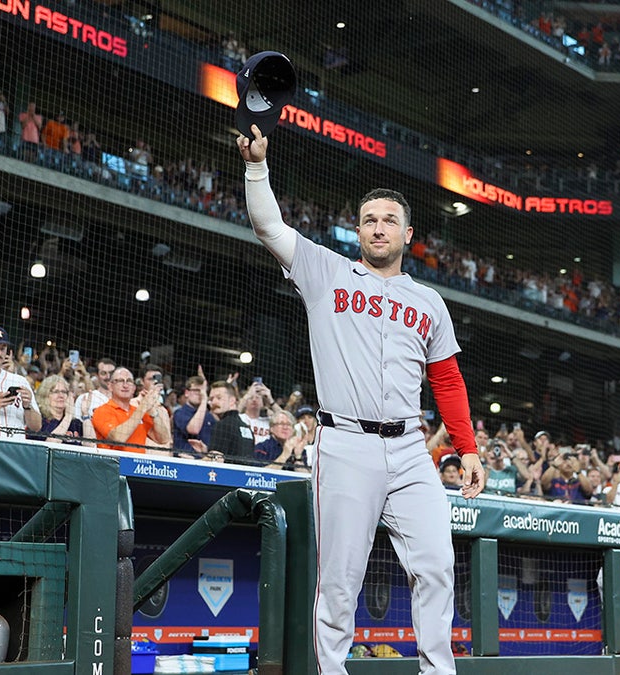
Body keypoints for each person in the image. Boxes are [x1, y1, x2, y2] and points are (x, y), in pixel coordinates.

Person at [238, 122, 484, 675]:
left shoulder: (429, 301)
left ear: (408, 233)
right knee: (341, 579)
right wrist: (257, 166)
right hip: (345, 443)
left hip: (410, 451)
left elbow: (447, 381)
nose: (379, 228)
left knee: (438, 563)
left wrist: (466, 447)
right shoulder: (326, 271)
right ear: (358, 231)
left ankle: (437, 671)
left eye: (389, 221)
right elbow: (268, 225)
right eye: (370, 220)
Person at [91, 367, 170, 450]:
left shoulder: (138, 411)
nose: (125, 385)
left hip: (137, 462)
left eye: (129, 381)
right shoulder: (101, 411)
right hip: (113, 462)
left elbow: (163, 439)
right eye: (120, 381)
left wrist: (153, 411)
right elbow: (118, 438)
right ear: (110, 386)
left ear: (134, 388)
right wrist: (143, 407)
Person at [195, 381, 255, 461]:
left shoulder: (222, 425)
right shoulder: (247, 428)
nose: (214, 402)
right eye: (211, 399)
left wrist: (190, 463)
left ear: (232, 401)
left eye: (219, 398)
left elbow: (216, 461)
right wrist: (207, 451)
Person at [30, 374, 85, 444]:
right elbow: (50, 446)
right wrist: (68, 416)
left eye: (64, 392)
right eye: (56, 392)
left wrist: (86, 415)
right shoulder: (38, 422)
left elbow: (92, 446)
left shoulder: (75, 423)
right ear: (45, 396)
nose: (61, 396)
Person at [172, 373, 215, 455]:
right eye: (197, 391)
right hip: (184, 461)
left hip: (205, 461)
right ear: (187, 393)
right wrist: (204, 401)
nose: (201, 394)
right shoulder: (180, 413)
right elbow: (194, 429)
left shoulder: (209, 416)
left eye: (203, 391)